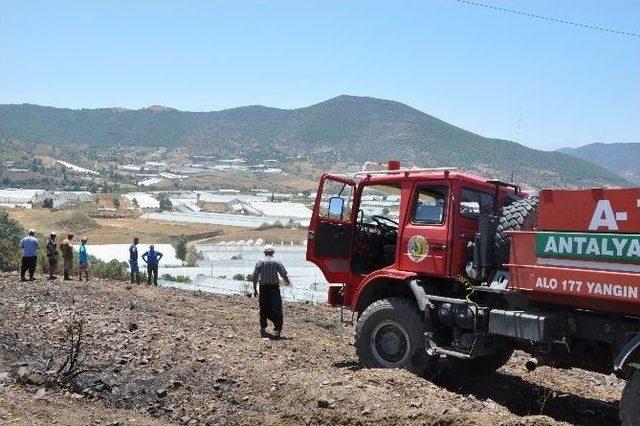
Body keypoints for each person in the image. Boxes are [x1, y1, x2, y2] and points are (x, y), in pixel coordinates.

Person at [252, 245, 291, 338]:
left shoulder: (260, 262)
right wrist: (288, 282)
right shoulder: (277, 262)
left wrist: (254, 289)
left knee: (263, 307)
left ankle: (263, 328)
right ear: (273, 253)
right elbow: (283, 274)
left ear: (264, 253)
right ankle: (277, 330)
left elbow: (255, 276)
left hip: (263, 288)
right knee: (276, 308)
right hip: (274, 288)